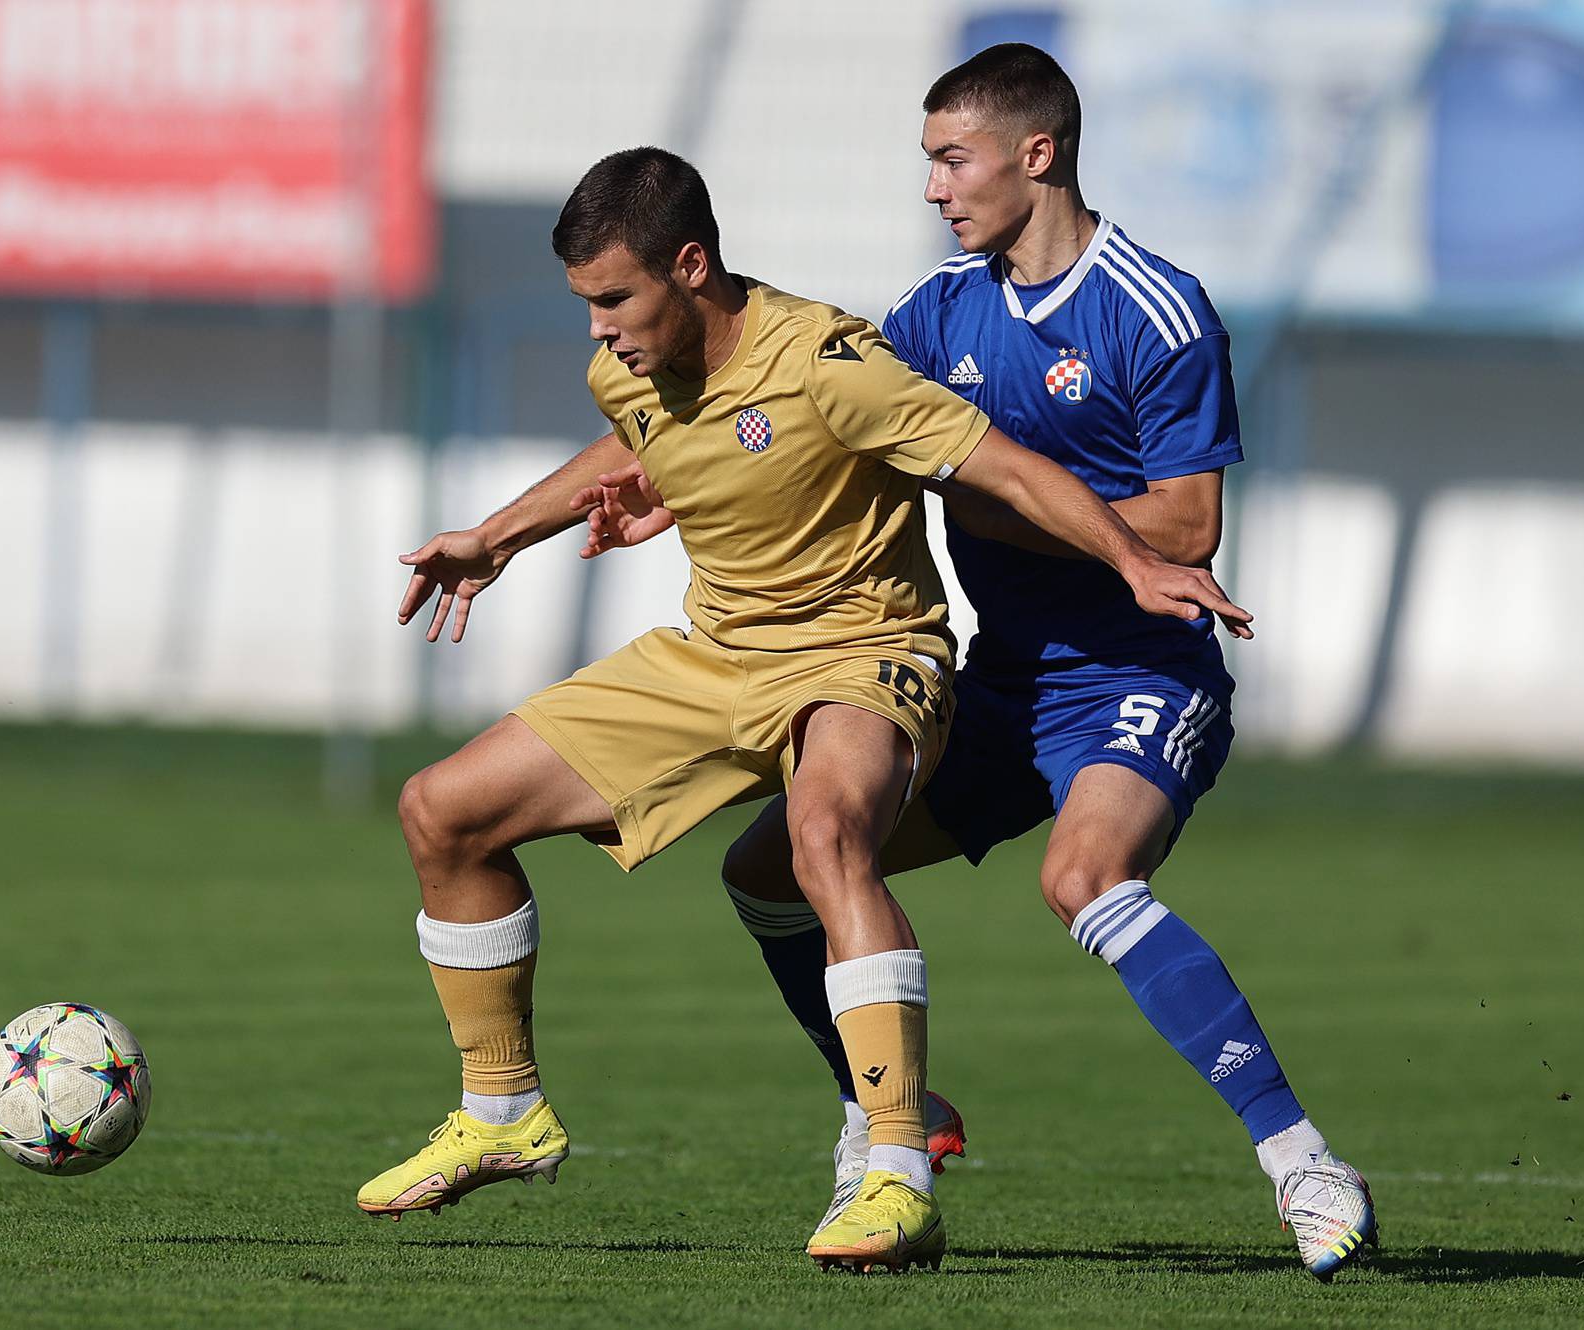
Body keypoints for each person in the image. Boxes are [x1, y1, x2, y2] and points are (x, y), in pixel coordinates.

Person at [355, 144, 1250, 1274]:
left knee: (825, 838)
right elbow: (634, 444)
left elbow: (1008, 470)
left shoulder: (830, 359)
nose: (597, 328)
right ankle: (501, 1112)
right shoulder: (625, 368)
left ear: (690, 267)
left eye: (615, 298)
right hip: (716, 655)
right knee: (443, 811)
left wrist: (1131, 559)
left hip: (865, 654)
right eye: (584, 303)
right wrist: (498, 535)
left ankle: (894, 1168)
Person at [574, 46, 1376, 1281]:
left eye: (954, 159)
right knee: (776, 866)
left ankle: (1304, 1163)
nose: (937, 189)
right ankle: (888, 1113)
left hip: (1135, 674)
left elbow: (1184, 525)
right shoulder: (937, 313)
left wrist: (985, 500)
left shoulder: (1155, 308)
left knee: (1082, 875)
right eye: (930, 163)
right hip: (1000, 685)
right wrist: (663, 499)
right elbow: (820, 432)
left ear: (1037, 154)